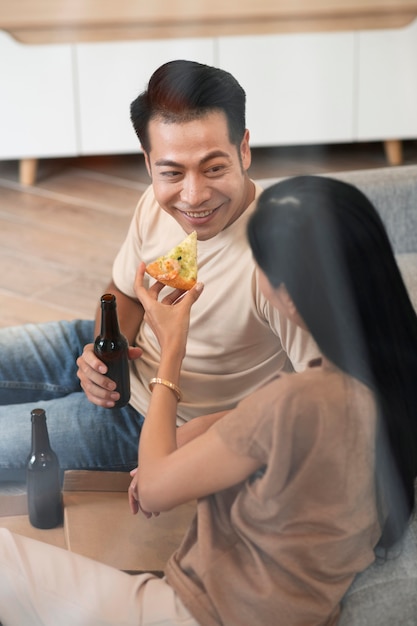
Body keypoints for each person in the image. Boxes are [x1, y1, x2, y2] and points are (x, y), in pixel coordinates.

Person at [1, 174, 417, 625]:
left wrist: (172, 345)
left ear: (288, 295)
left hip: (191, 613)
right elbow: (264, 428)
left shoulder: (296, 401)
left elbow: (157, 484)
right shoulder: (379, 386)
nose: (193, 192)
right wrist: (202, 429)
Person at [0, 60, 317, 482]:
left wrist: (191, 443)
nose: (193, 196)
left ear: (244, 149)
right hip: (115, 354)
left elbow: (321, 402)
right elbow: (124, 290)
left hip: (161, 423)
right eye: (171, 172)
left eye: (214, 167)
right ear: (149, 163)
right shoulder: (155, 201)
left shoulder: (280, 259)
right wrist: (104, 353)